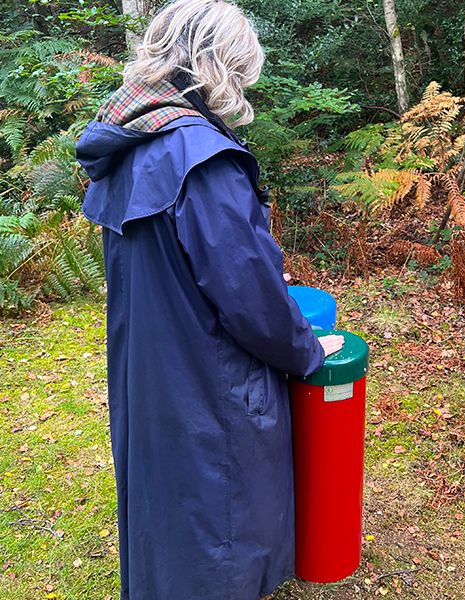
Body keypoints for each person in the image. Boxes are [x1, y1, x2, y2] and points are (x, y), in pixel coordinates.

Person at [75, 1, 345, 598]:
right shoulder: (201, 158)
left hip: (147, 372)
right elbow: (252, 298)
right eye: (241, 70)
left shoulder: (130, 146)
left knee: (166, 500)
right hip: (206, 378)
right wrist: (307, 352)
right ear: (212, 65)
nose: (243, 86)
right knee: (220, 510)